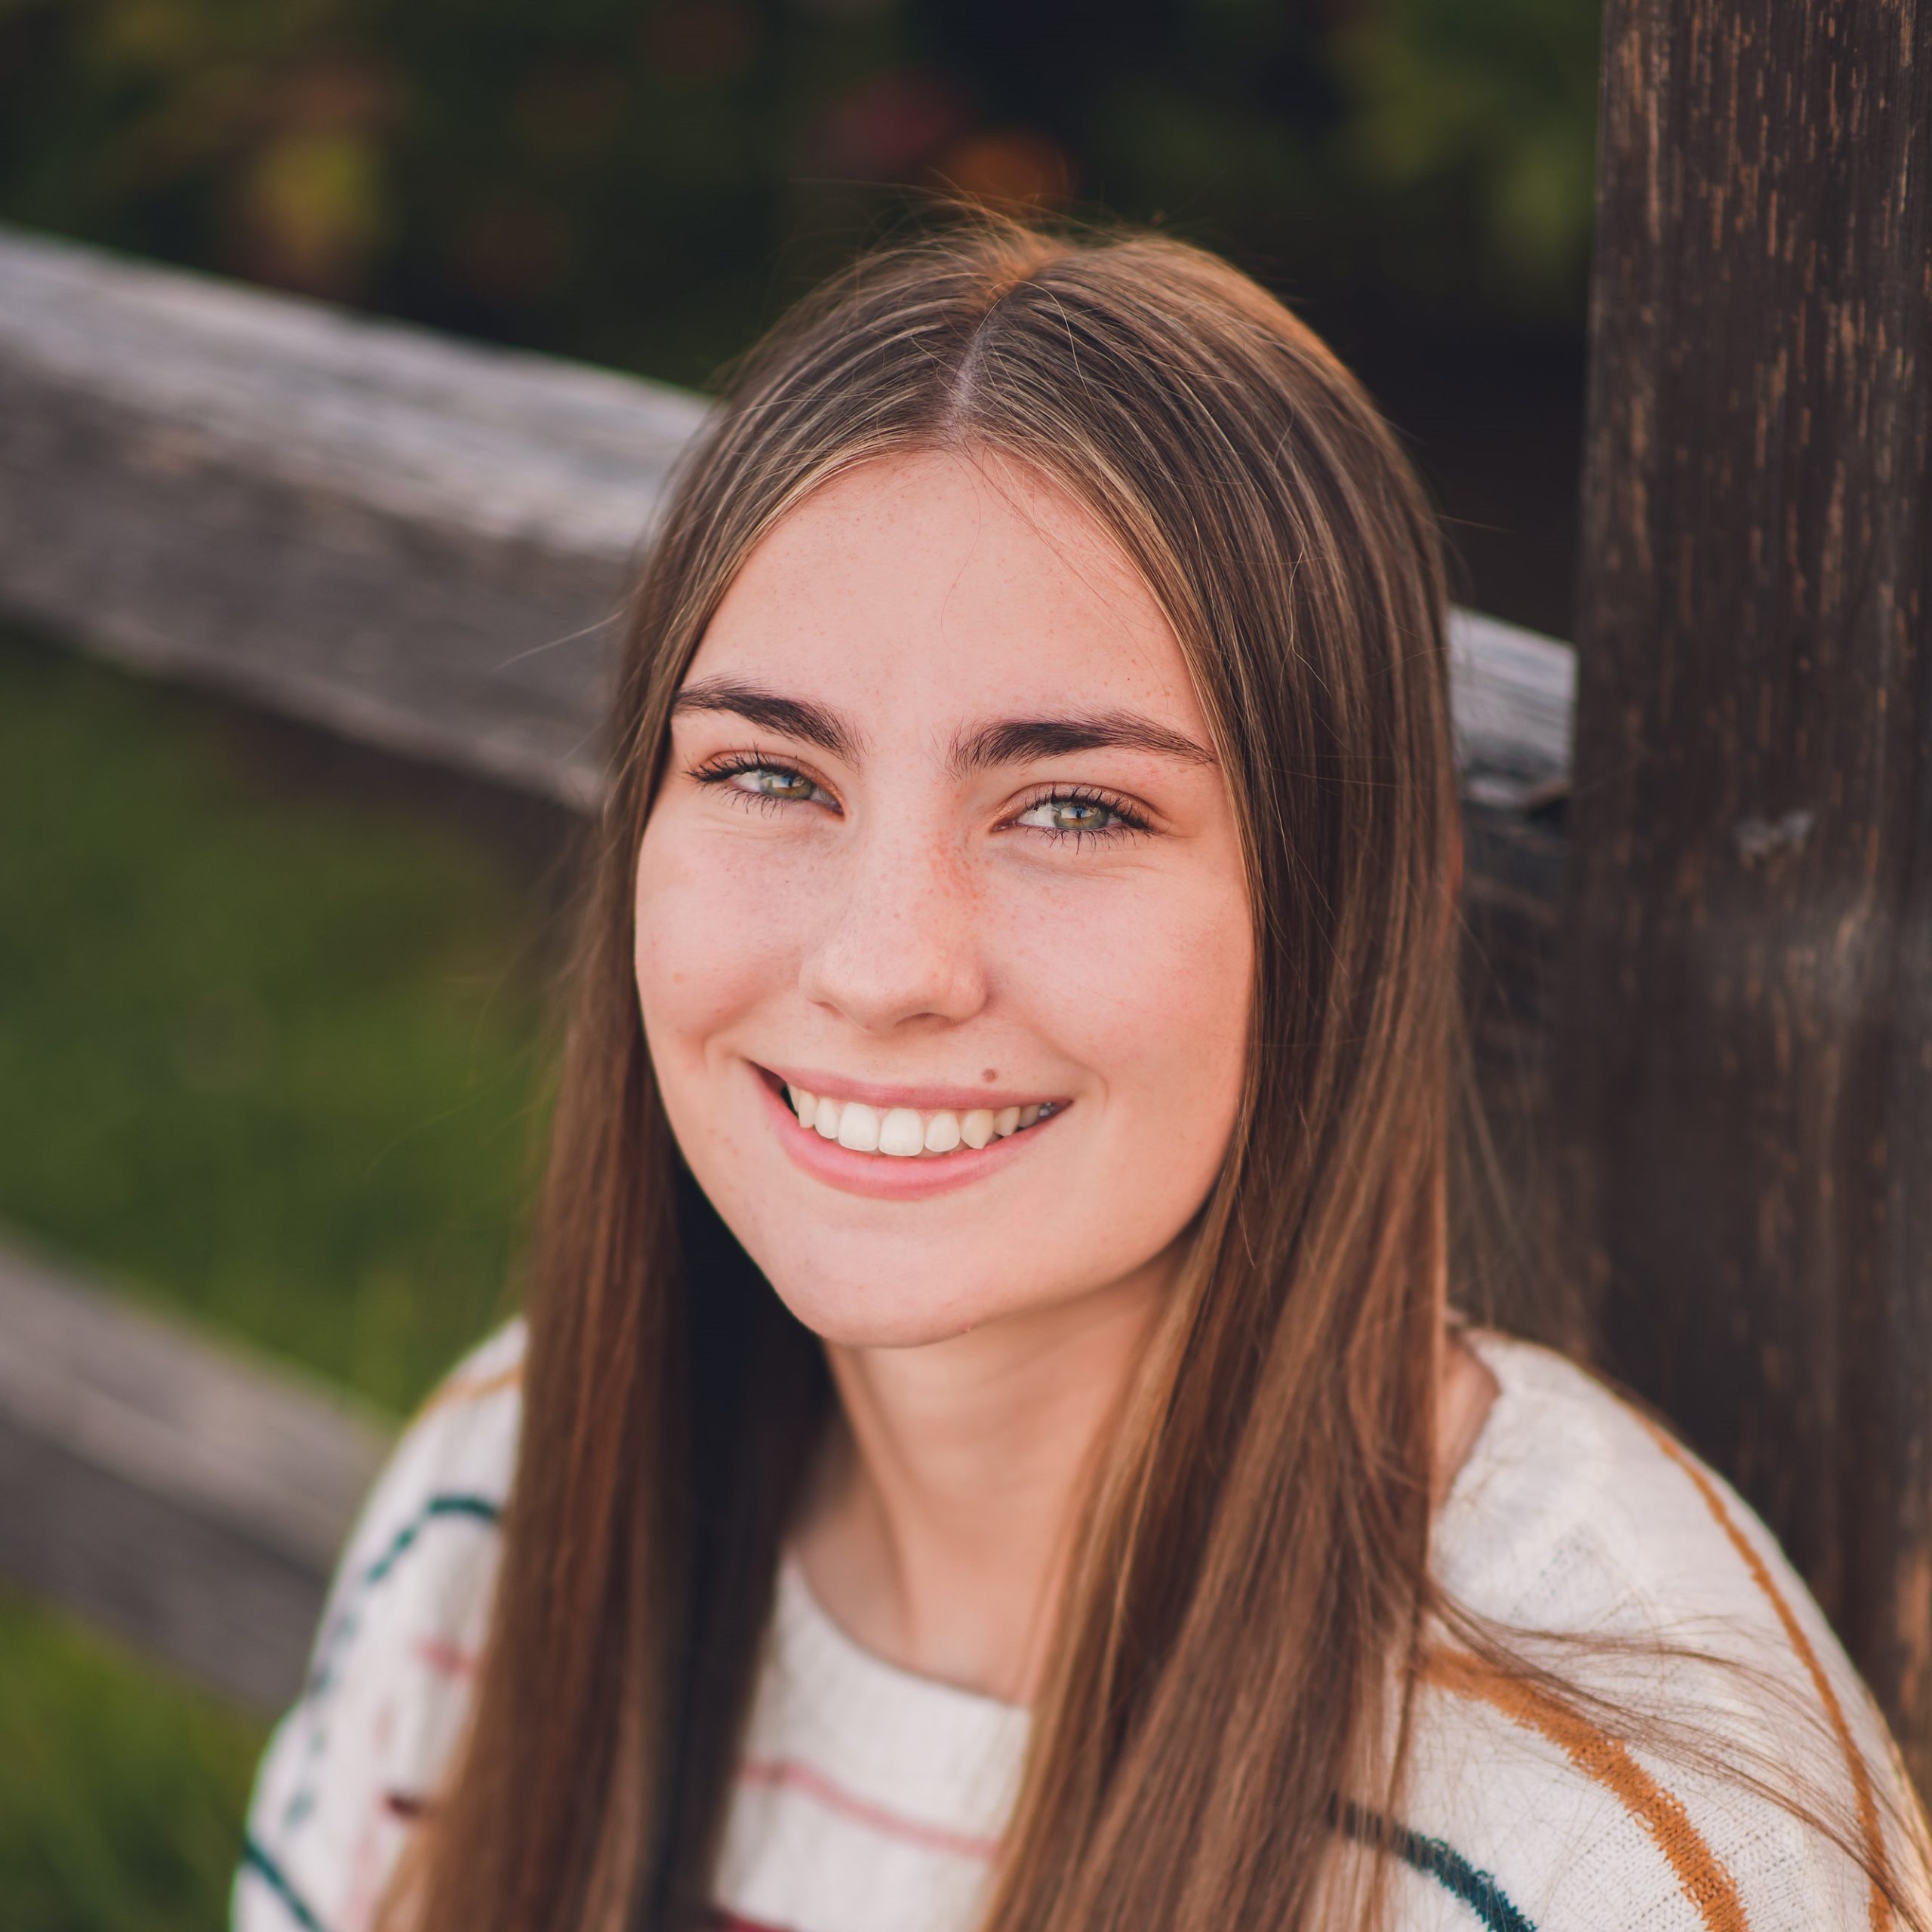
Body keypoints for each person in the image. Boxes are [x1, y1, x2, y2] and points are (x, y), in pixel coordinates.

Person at [232, 218, 1930, 1932]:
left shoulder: (1616, 1832)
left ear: (1366, 901)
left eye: (1074, 807)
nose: (883, 964)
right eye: (765, 771)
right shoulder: (498, 1503)